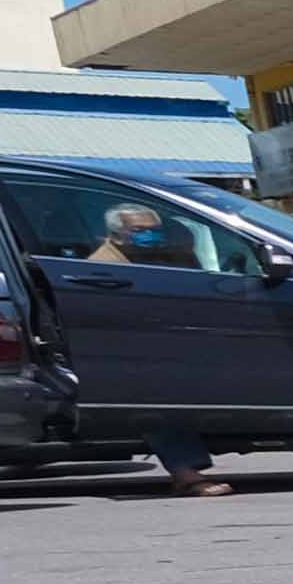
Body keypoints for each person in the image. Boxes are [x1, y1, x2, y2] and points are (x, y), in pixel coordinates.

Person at [90, 200, 234, 497]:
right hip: (124, 357)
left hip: (173, 345)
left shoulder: (162, 257)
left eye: (155, 229)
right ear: (117, 235)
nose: (151, 236)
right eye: (140, 230)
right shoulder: (103, 267)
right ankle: (184, 472)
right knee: (156, 392)